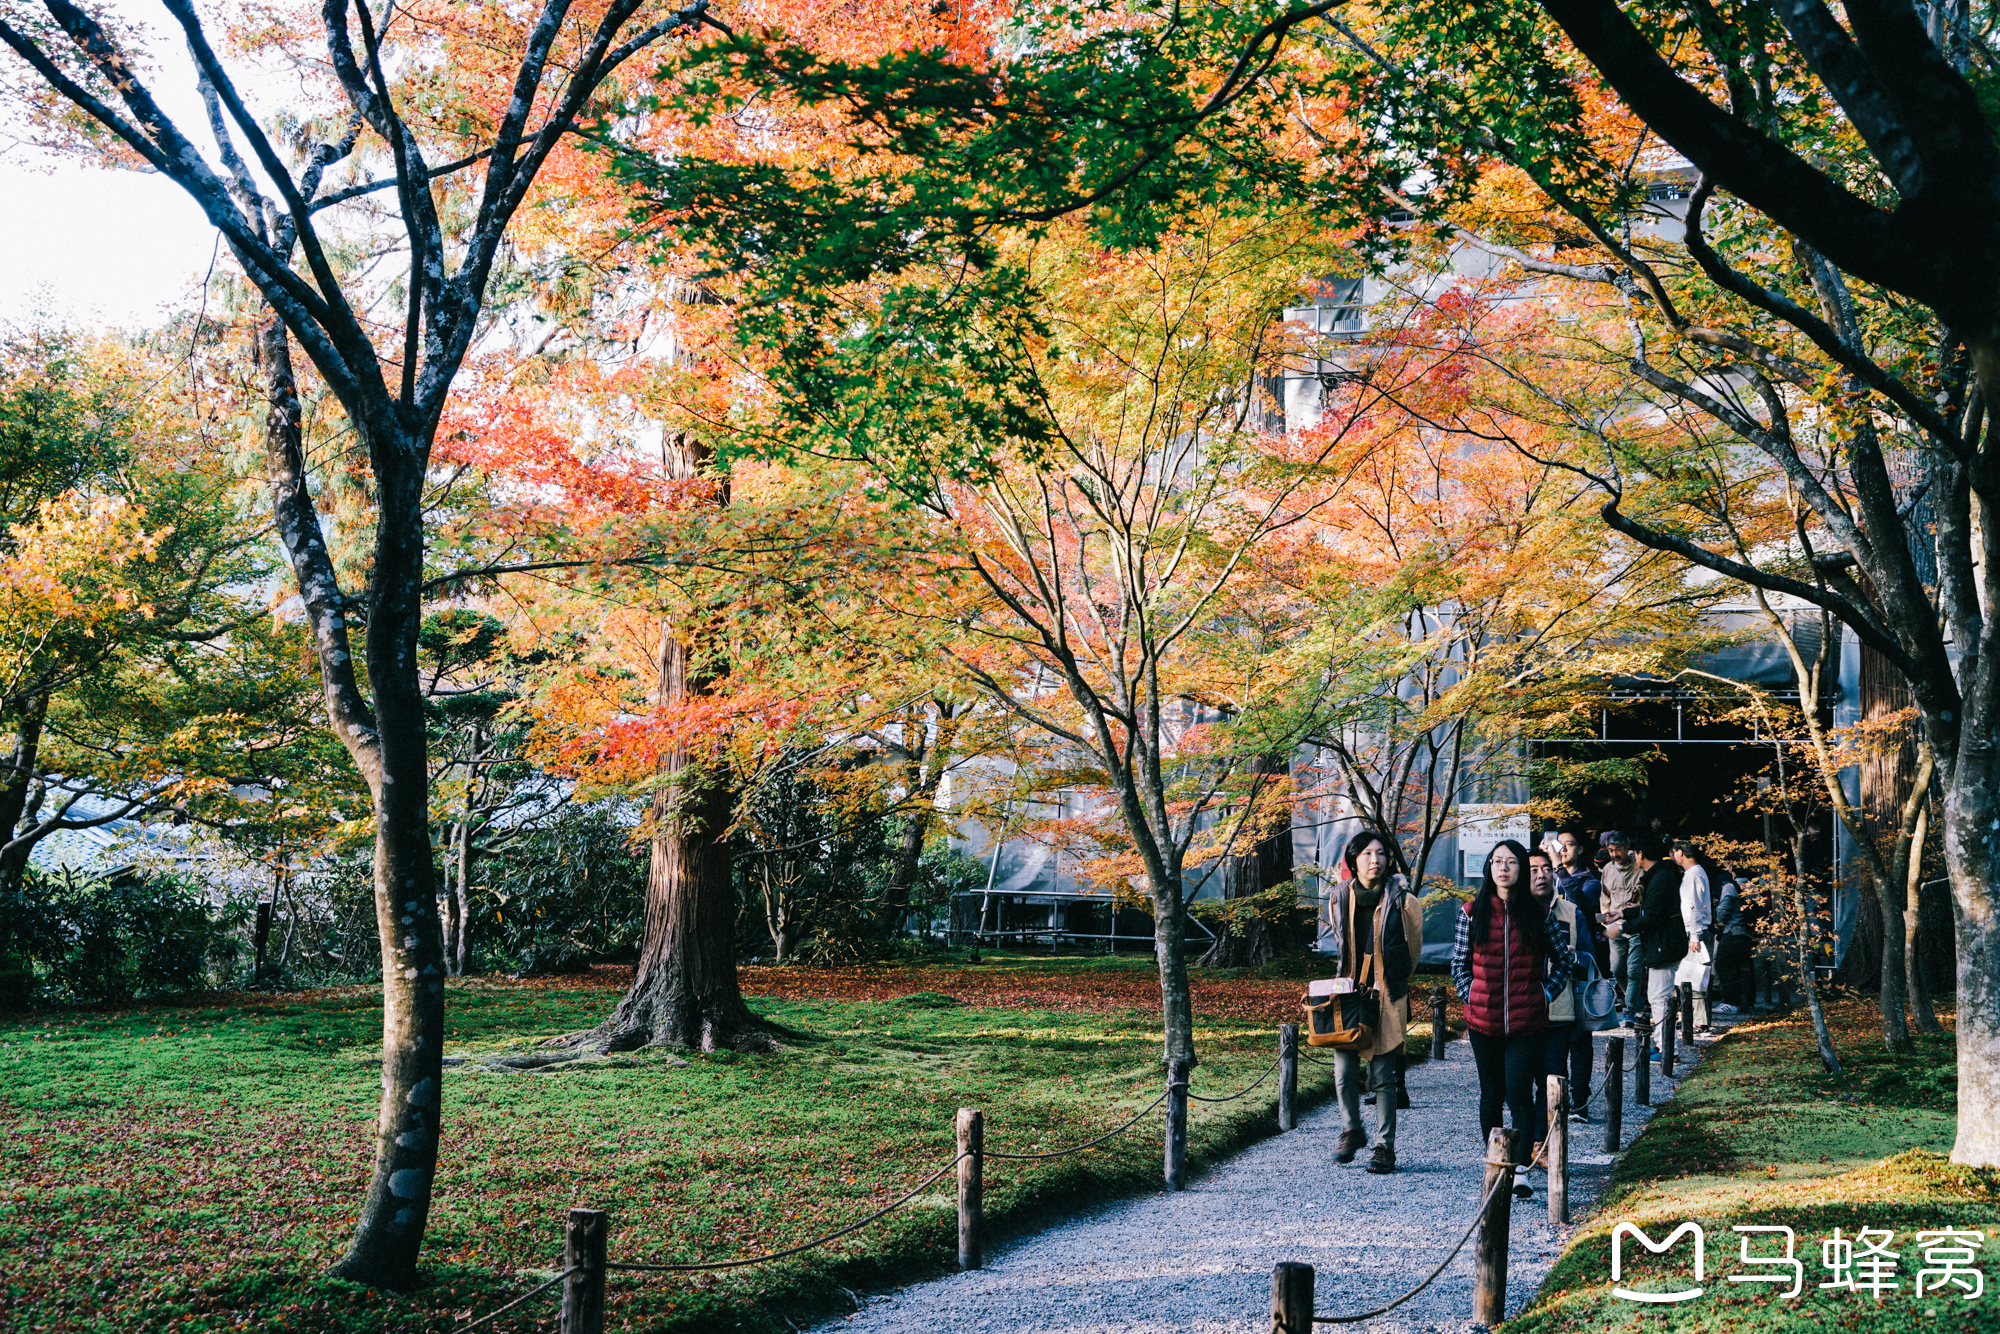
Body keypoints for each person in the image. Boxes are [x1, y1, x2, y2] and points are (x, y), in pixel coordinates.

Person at [1451, 839, 1575, 1167]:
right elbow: (1458, 964)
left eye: (1511, 862)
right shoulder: (1471, 912)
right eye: (1496, 862)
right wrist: (1472, 996)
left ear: (1520, 868)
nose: (1503, 868)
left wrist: (1544, 994)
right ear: (1488, 868)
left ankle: (1520, 1168)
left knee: (1518, 1094)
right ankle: (1495, 1162)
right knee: (1490, 1095)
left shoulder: (1539, 914)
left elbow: (1563, 960)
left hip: (1526, 1023)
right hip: (1482, 1022)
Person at [1325, 830, 1424, 1174]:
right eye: (1366, 853)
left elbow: (1412, 954)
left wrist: (1391, 980)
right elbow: (1341, 944)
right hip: (1348, 994)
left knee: (1383, 1076)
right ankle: (1352, 1130)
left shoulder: (1403, 900)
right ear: (1353, 859)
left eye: (1381, 853)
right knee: (1343, 1071)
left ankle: (1385, 1146)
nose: (1374, 860)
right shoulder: (1338, 897)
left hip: (1384, 995)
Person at [1527, 848, 1587, 1141]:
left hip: (1558, 1010)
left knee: (1552, 1081)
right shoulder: (1512, 914)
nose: (1542, 875)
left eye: (1546, 868)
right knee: (1519, 1083)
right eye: (1533, 869)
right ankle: (1525, 1143)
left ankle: (1546, 1143)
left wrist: (1576, 957)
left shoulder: (1571, 912)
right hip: (1520, 1010)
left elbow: (1591, 957)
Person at [1552, 829, 1601, 1115]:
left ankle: (1580, 1100)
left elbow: (1580, 904)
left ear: (1580, 849)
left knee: (1580, 1040)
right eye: (1560, 845)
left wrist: (1558, 868)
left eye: (1569, 845)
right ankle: (1556, 1100)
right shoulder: (1546, 878)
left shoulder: (1589, 881)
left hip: (1581, 964)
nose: (1563, 849)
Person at [1630, 839, 1687, 1054]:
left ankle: (1667, 1049)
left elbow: (1651, 916)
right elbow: (1649, 909)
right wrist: (1623, 914)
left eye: (1635, 853)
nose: (1635, 857)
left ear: (1641, 853)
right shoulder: (1662, 875)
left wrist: (1623, 927)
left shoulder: (1660, 878)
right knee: (1659, 996)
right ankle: (1662, 1044)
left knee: (1660, 998)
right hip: (1664, 944)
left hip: (1663, 945)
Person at [1597, 830, 1644, 1023]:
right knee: (1616, 969)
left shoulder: (1640, 866)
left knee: (1634, 970)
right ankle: (1635, 998)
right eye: (1610, 850)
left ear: (1627, 848)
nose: (1614, 854)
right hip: (1615, 925)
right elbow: (1604, 896)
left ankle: (1629, 1009)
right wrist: (1604, 918)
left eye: (1618, 850)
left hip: (1635, 925)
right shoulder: (1608, 868)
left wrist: (1640, 908)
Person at [1670, 840, 1717, 1030]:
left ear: (1681, 852)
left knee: (1694, 975)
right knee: (1688, 976)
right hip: (1693, 929)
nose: (1673, 856)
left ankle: (1699, 1019)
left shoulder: (1694, 874)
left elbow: (1694, 906)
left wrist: (1694, 935)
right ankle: (1690, 1017)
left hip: (1694, 930)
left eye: (1674, 852)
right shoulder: (1695, 873)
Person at [1711, 864, 1755, 1014]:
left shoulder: (1730, 887)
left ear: (1731, 868)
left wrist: (1718, 924)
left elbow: (1723, 911)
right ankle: (1746, 1001)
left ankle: (1730, 1001)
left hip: (1732, 931)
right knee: (1743, 966)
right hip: (1747, 933)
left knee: (1722, 964)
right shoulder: (1753, 887)